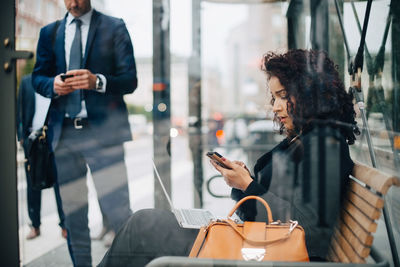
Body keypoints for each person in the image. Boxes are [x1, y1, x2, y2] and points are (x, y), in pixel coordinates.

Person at [98, 49, 358, 266]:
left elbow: (310, 231)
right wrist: (243, 182)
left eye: (282, 96)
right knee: (146, 223)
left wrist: (248, 185)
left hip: (265, 254)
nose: (276, 107)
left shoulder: (325, 145)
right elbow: (283, 208)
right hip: (257, 245)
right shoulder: (308, 139)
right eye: (273, 97)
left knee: (143, 225)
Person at [32, 0, 137, 265]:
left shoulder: (114, 27)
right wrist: (51, 84)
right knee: (74, 215)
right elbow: (38, 77)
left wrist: (97, 81)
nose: (74, 3)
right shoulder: (49, 33)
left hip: (104, 135)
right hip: (65, 135)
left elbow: (130, 80)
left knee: (118, 212)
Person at [17, 74, 67, 240]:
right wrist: (21, 137)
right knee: (33, 183)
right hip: (33, 139)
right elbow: (20, 110)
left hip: (55, 138)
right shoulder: (26, 82)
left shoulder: (60, 78)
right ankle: (35, 225)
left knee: (59, 184)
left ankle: (65, 225)